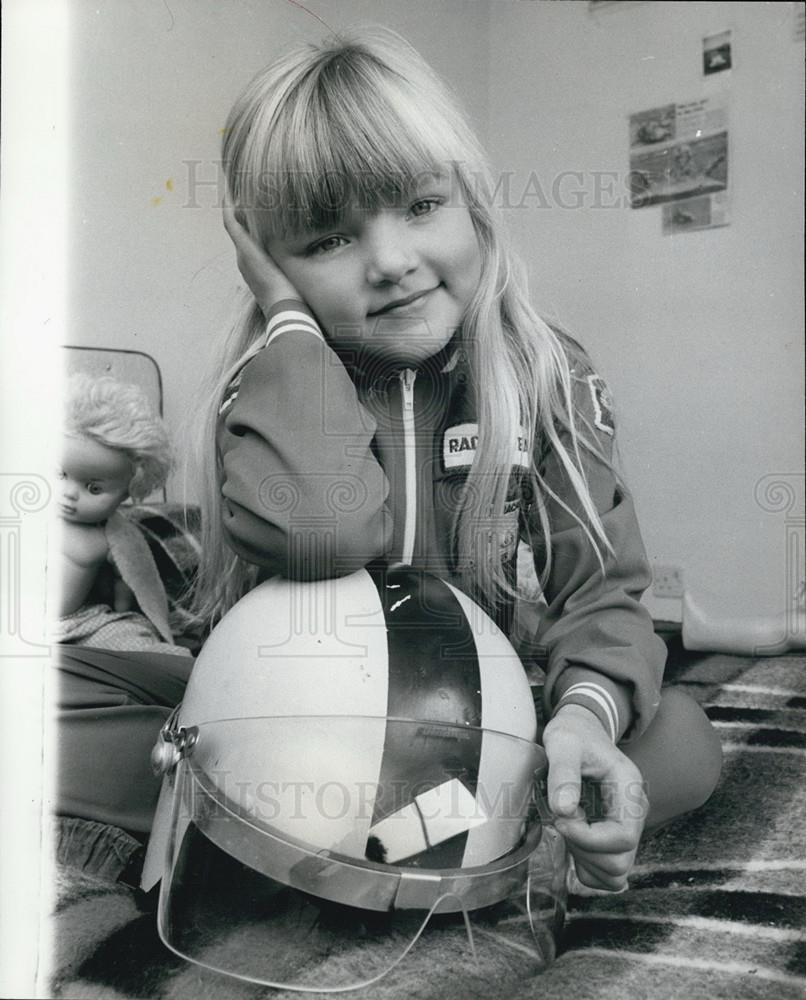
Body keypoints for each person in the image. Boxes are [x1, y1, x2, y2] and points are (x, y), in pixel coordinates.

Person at [57, 28, 721, 893]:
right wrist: (290, 328)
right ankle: (408, 835)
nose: (392, 263)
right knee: (47, 700)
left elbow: (599, 593)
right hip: (293, 718)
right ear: (268, 266)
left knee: (684, 739)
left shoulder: (547, 373)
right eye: (328, 240)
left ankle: (412, 830)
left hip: (482, 713)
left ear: (472, 202)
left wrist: (586, 716)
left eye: (420, 207)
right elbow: (322, 528)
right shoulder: (272, 378)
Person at [53, 374, 189, 655]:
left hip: (79, 622)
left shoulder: (116, 535)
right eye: (59, 474)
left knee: (139, 646)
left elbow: (135, 580)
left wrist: (128, 613)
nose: (68, 493)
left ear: (127, 493)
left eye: (93, 488)